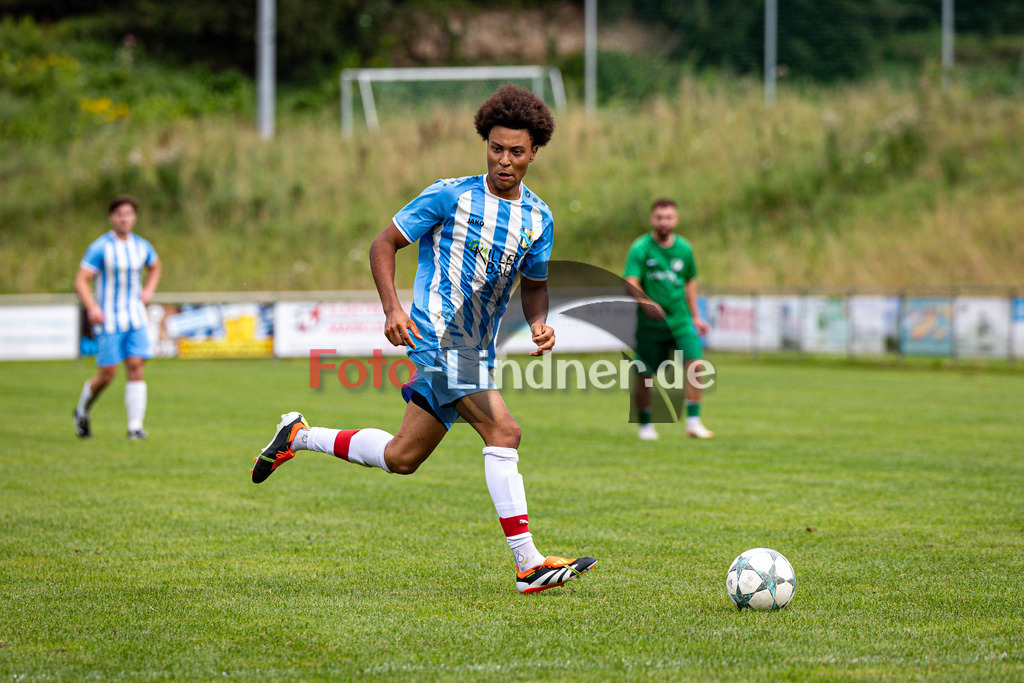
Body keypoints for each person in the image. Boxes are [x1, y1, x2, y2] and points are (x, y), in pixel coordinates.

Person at [251, 85, 597, 595]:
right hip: (437, 337)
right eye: (496, 148)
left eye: (516, 152)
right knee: (505, 431)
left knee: (401, 458)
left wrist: (540, 322)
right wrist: (393, 307)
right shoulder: (450, 194)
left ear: (534, 152)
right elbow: (383, 244)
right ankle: (528, 564)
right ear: (486, 144)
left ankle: (298, 434)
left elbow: (537, 285)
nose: (505, 160)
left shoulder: (539, 218)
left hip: (477, 350)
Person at [623, 198, 713, 441]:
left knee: (696, 365)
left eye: (669, 217)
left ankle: (693, 422)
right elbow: (631, 280)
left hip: (680, 321)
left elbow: (690, 281)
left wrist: (696, 316)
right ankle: (645, 425)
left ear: (676, 219)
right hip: (651, 325)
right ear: (653, 219)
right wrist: (646, 302)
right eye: (659, 217)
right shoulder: (641, 248)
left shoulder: (685, 249)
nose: (664, 222)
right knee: (644, 375)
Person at [73, 195, 161, 439]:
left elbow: (155, 266)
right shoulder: (101, 247)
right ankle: (82, 410)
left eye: (129, 214)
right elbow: (81, 279)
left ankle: (135, 426)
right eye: (120, 214)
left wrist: (149, 289)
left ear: (134, 218)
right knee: (107, 374)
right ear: (112, 217)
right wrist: (92, 306)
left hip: (135, 317)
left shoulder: (141, 246)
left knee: (136, 366)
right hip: (109, 318)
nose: (124, 218)